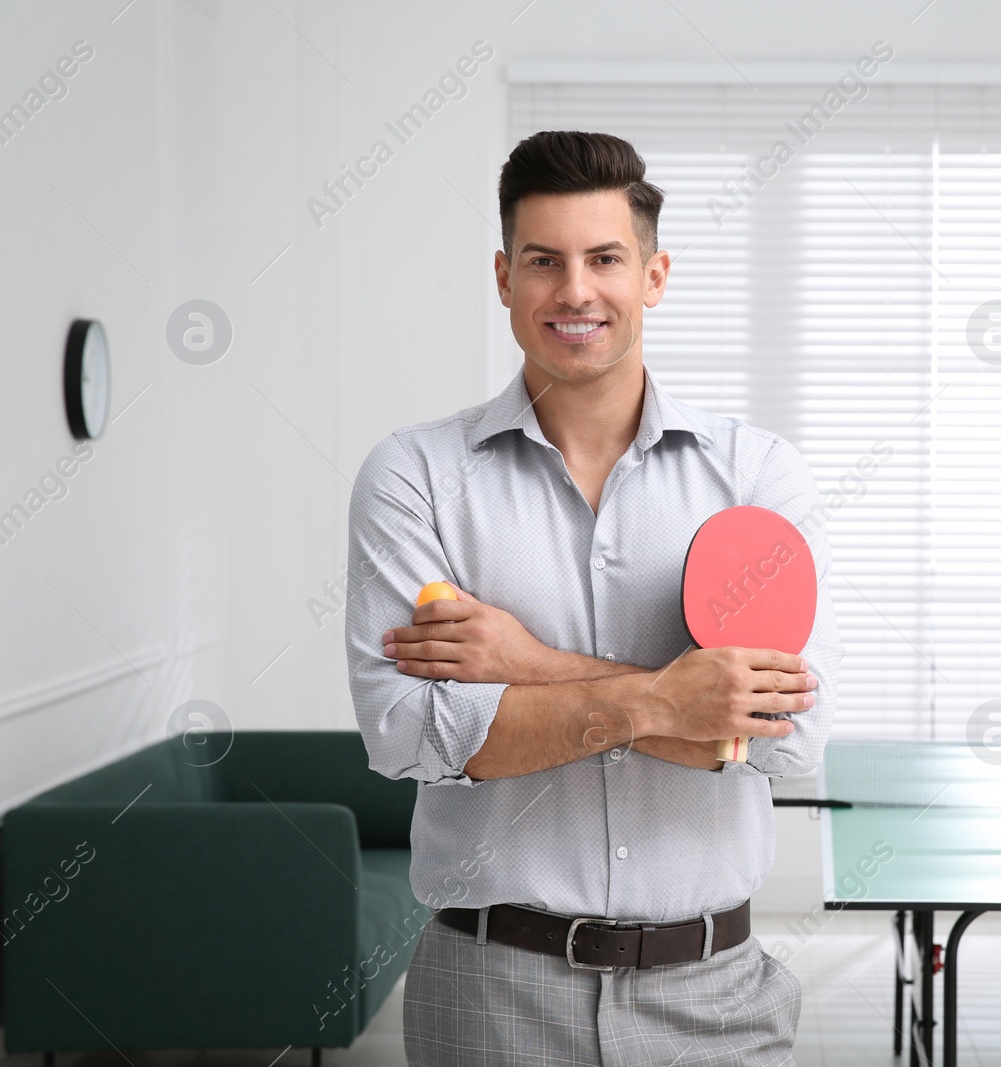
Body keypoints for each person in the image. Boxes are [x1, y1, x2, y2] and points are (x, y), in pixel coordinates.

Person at [343, 129, 841, 1066]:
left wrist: (525, 667)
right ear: (503, 277)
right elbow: (408, 734)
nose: (575, 291)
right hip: (490, 994)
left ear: (653, 276)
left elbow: (790, 739)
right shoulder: (412, 475)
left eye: (605, 258)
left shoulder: (758, 477)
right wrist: (670, 702)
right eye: (544, 261)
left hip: (717, 997)